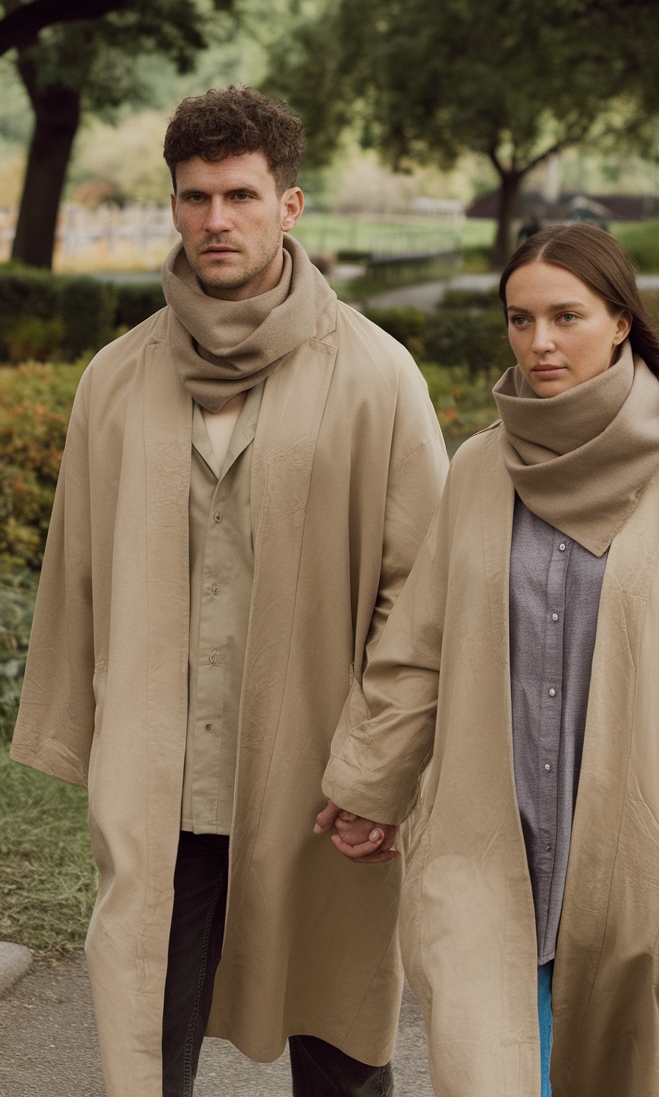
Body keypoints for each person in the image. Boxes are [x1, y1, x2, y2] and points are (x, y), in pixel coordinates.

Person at [11, 86, 448, 1096]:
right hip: (161, 782)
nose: (218, 220)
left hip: (321, 778)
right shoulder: (115, 381)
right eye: (196, 197)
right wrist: (89, 734)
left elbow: (419, 598)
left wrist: (381, 770)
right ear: (173, 204)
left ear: (288, 207)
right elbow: (75, 574)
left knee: (338, 1048)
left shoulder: (377, 377)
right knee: (142, 1048)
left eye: (241, 196)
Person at [316, 223, 659, 1097]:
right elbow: (418, 653)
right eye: (519, 319)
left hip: (644, 874)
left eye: (566, 316)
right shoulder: (478, 471)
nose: (539, 342)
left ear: (621, 320)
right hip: (486, 861)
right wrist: (369, 786)